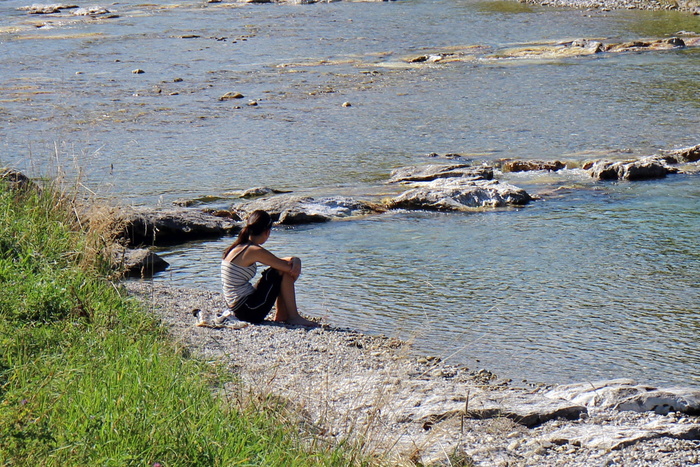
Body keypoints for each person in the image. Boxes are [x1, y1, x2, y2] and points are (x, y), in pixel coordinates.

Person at [216, 209, 318, 327]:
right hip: (248, 310)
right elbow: (284, 267)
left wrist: (295, 259)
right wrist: (295, 262)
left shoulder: (239, 246)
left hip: (240, 307)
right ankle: (293, 316)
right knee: (281, 271)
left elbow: (277, 262)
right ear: (267, 232)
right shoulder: (253, 250)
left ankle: (282, 315)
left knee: (276, 272)